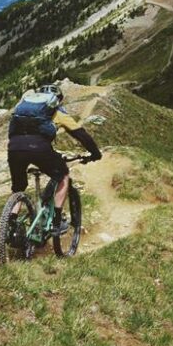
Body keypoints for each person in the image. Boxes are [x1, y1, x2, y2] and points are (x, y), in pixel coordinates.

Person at [7, 84, 102, 236]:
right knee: (63, 175)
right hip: (39, 148)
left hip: (14, 148)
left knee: (18, 188)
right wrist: (95, 153)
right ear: (56, 100)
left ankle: (10, 225)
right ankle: (56, 222)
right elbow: (80, 134)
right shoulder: (57, 112)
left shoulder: (23, 111)